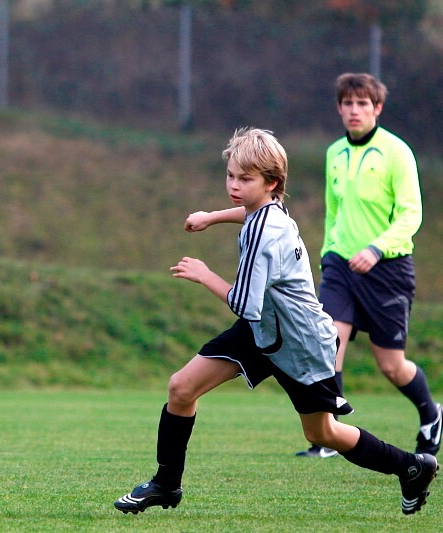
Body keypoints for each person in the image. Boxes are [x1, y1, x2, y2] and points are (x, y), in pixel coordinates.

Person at [113, 128, 437, 517]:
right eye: (230, 175)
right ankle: (166, 484)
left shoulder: (265, 234)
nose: (234, 185)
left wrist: (204, 274)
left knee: (322, 433)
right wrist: (211, 217)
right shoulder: (268, 209)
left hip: (300, 344)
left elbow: (242, 303)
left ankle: (411, 466)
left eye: (245, 179)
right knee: (181, 388)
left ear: (271, 183)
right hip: (265, 330)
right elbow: (249, 212)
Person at [292, 72, 440, 458]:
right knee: (328, 345)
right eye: (347, 103)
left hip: (388, 269)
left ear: (377, 108)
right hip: (340, 267)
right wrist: (328, 253)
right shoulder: (334, 153)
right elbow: (334, 212)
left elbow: (411, 214)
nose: (354, 110)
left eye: (362, 103)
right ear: (339, 108)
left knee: (391, 365)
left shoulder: (397, 152)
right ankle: (328, 436)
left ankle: (431, 413)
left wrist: (376, 249)